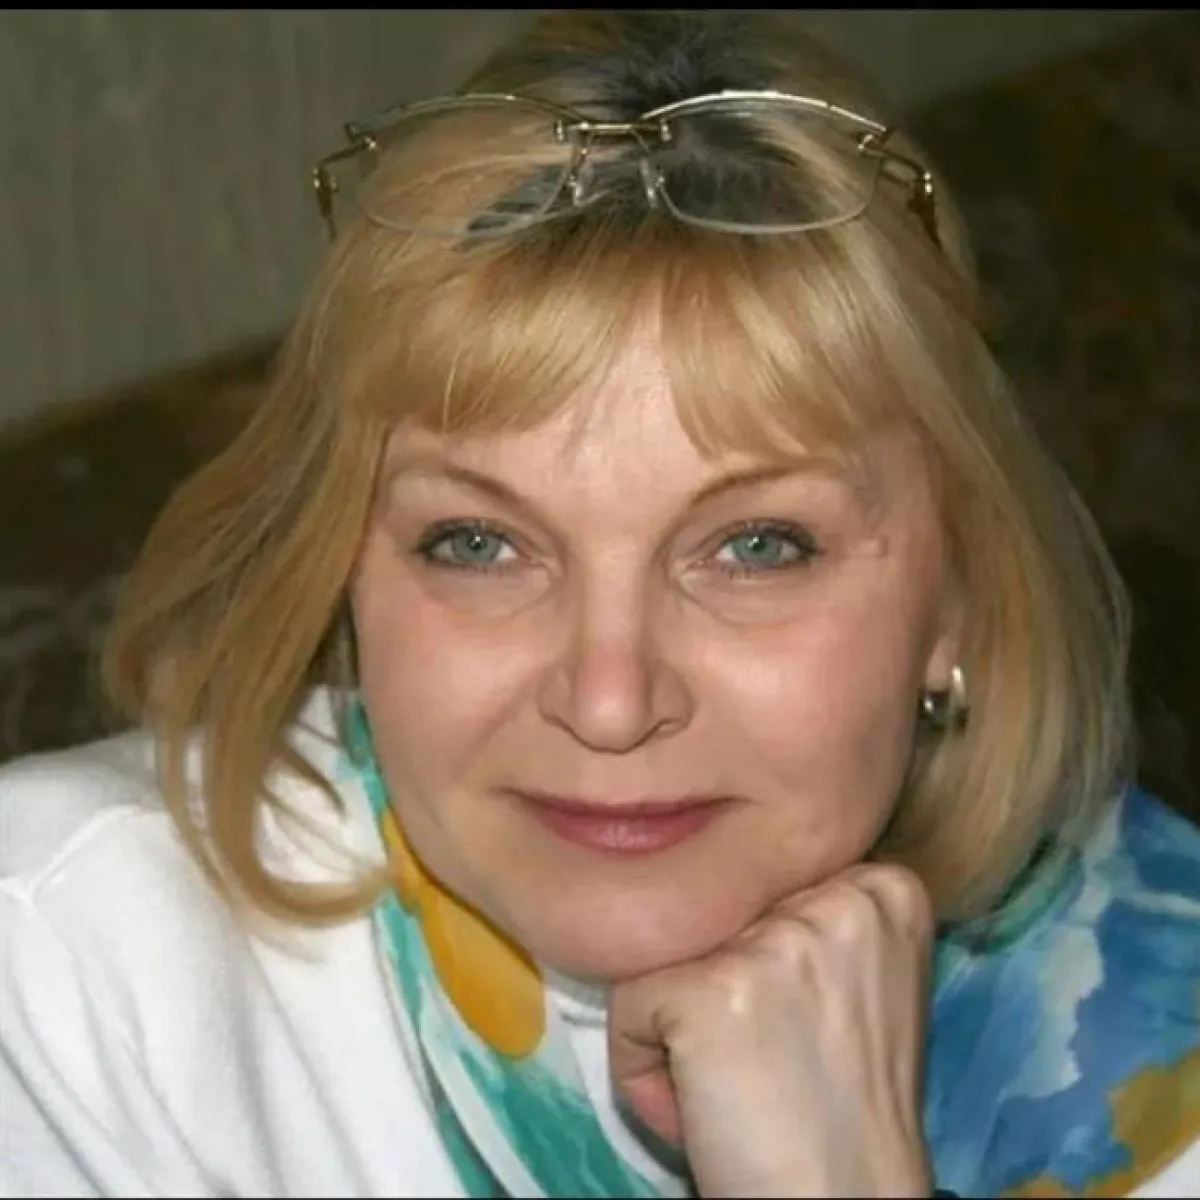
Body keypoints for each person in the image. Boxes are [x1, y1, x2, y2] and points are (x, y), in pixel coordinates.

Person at [2, 10, 1198, 1198]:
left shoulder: (1147, 1024)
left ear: (957, 601)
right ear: (344, 570)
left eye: (756, 547)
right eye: (478, 544)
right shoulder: (69, 970)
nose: (609, 702)